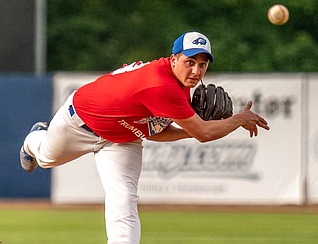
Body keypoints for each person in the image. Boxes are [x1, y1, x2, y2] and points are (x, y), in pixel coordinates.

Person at [20, 31, 269, 243]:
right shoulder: (161, 86)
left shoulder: (180, 87)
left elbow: (155, 133)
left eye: (202, 64)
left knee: (124, 199)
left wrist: (190, 128)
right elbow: (203, 133)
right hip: (79, 123)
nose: (196, 70)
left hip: (123, 137)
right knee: (44, 158)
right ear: (174, 59)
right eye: (190, 61)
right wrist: (236, 120)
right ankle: (35, 137)